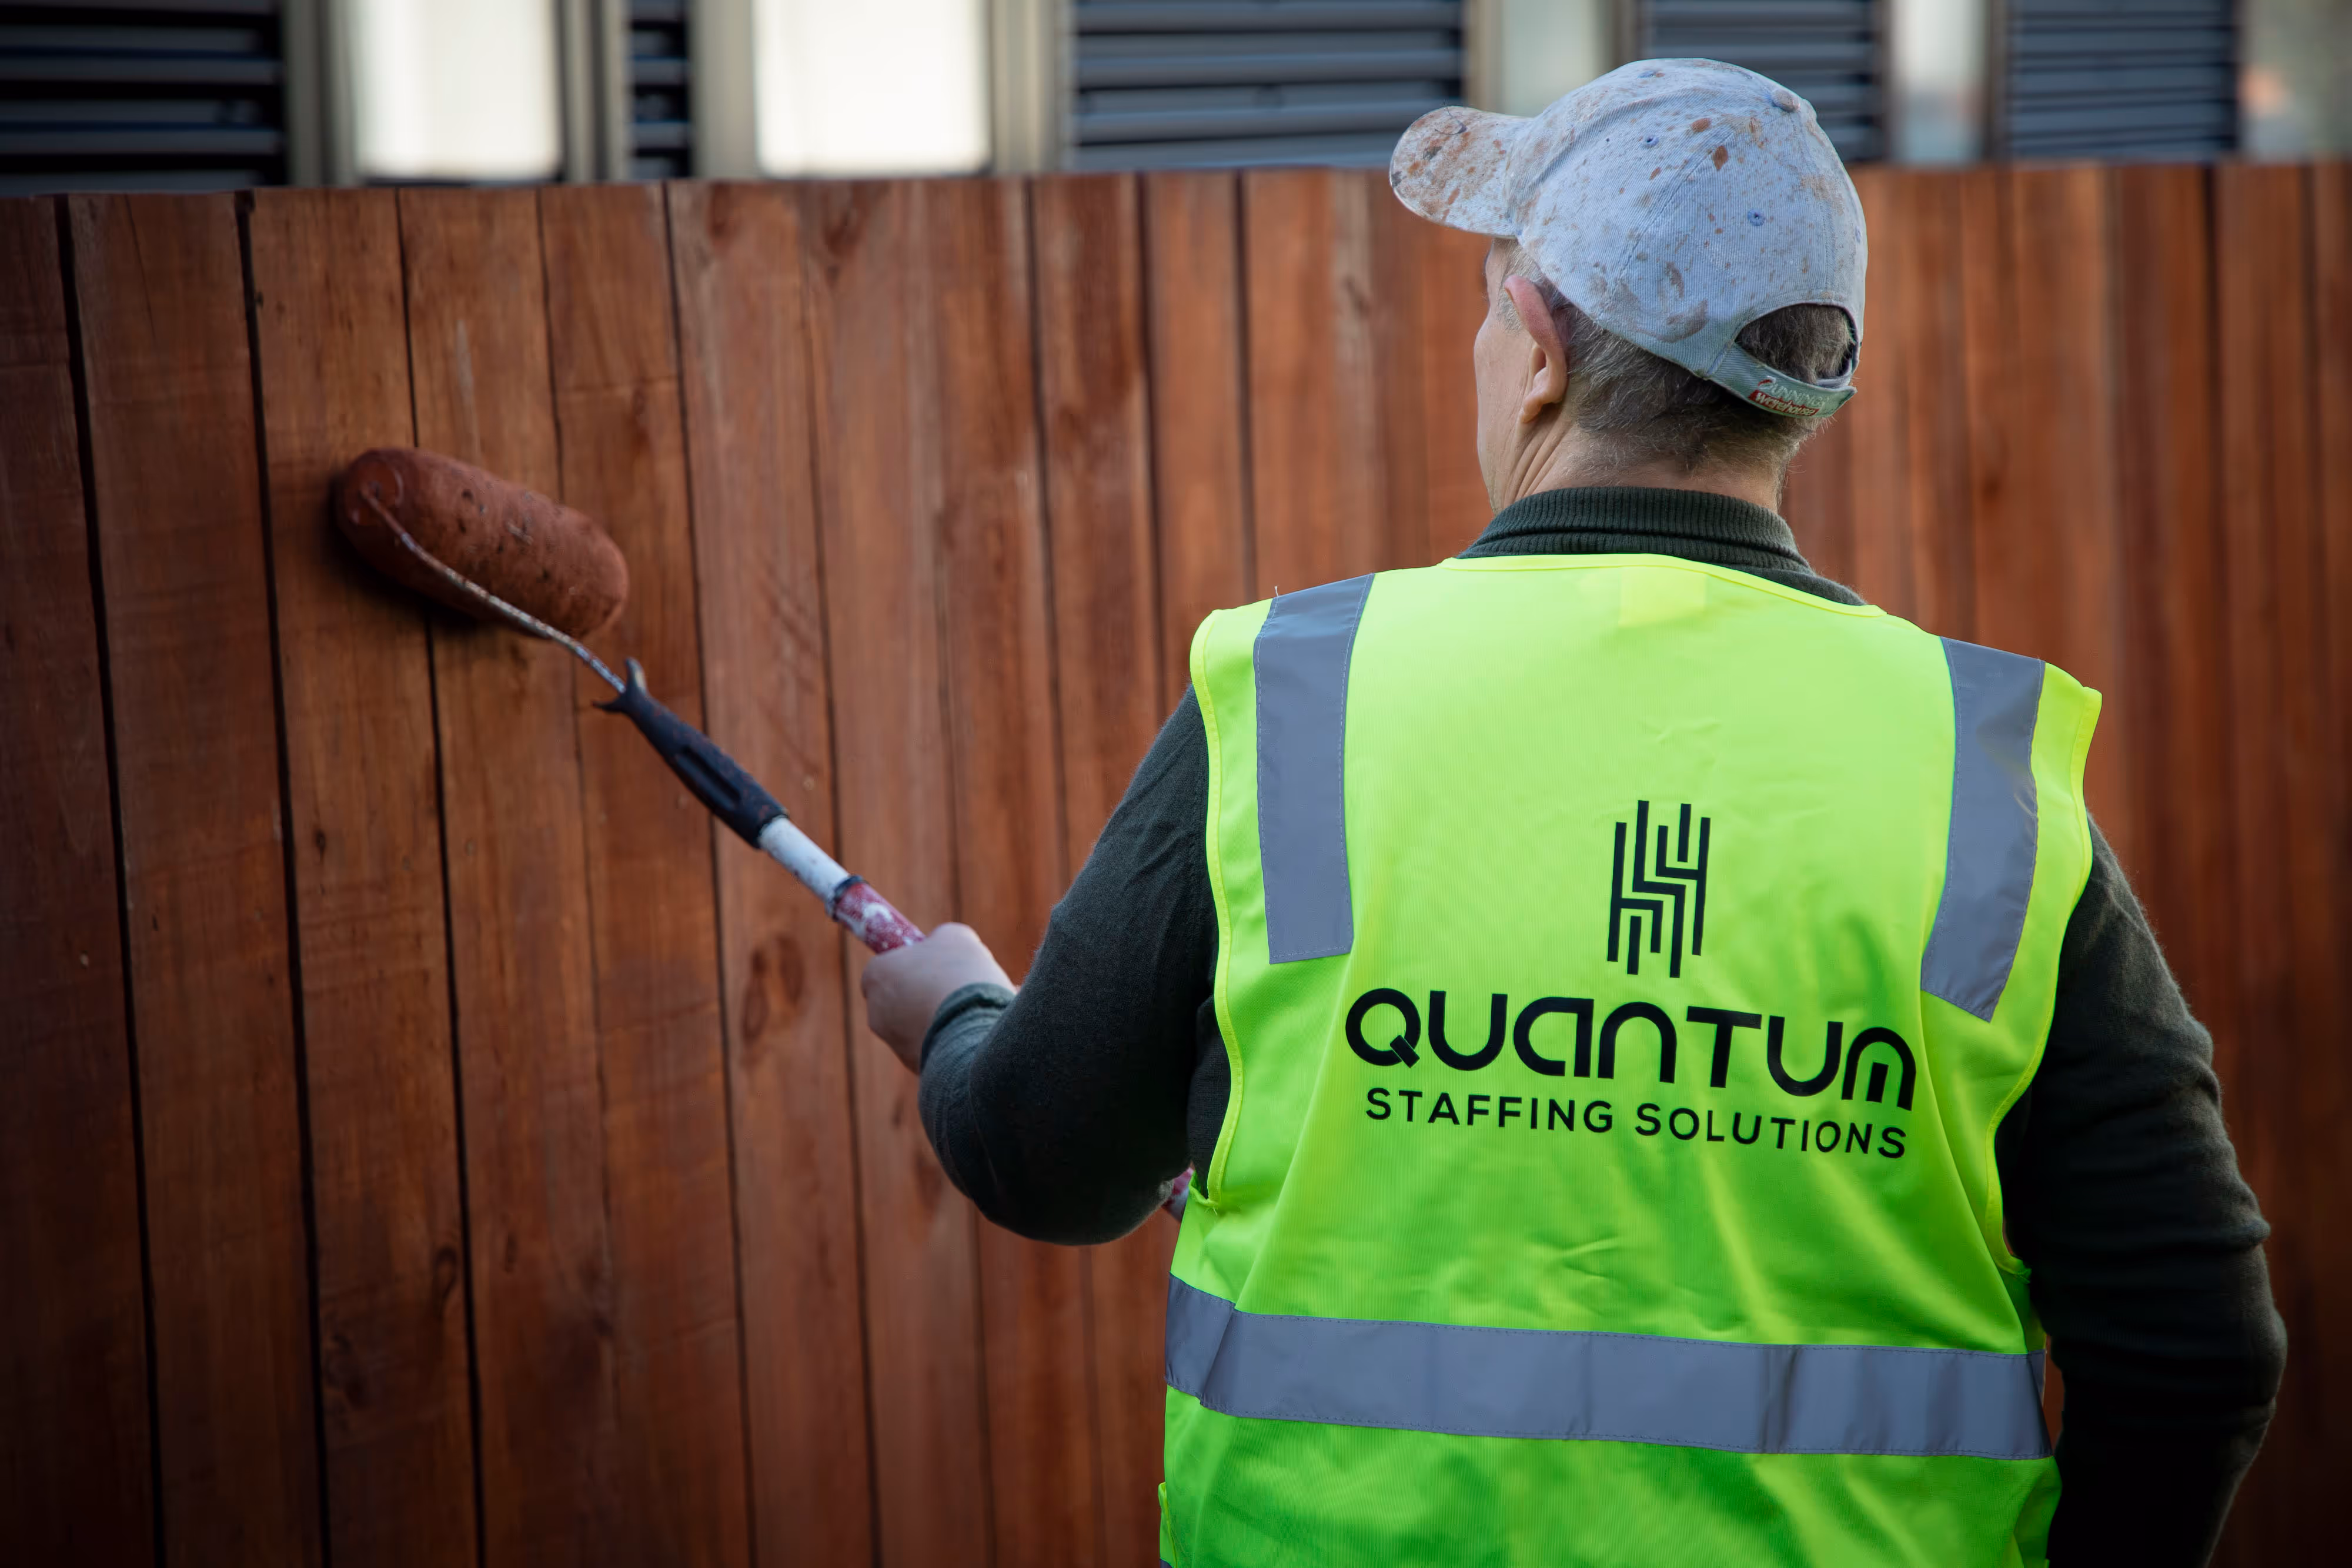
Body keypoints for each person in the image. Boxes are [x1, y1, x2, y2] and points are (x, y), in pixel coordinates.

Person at [860, 59, 2284, 1567]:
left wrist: (951, 1014)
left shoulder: (1298, 698)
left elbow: (1045, 1154)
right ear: (1800, 391)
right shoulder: (1969, 769)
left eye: (1491, 313)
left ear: (1536, 354)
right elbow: (2192, 1346)